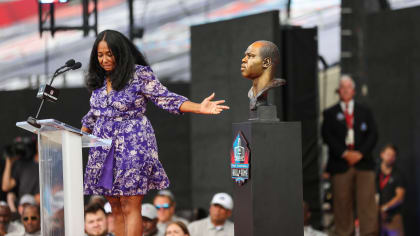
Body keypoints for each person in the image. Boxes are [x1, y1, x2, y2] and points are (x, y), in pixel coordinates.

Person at [81, 29, 229, 236]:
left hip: (132, 143)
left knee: (130, 203)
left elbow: (165, 97)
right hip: (103, 147)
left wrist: (198, 107)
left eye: (109, 54)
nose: (104, 59)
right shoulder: (98, 81)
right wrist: (79, 134)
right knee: (114, 206)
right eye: (100, 55)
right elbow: (94, 113)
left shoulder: (138, 74)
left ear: (120, 53)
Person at [321, 75, 378, 236]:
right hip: (340, 165)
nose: (345, 90)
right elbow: (327, 135)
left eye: (348, 87)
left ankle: (369, 233)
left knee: (367, 204)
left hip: (363, 163)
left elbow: (373, 134)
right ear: (339, 91)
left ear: (353, 91)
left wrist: (360, 153)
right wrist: (345, 153)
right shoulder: (330, 113)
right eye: (342, 88)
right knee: (342, 205)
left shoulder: (365, 111)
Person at [241, 40, 285, 111]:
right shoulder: (251, 93)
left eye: (250, 56)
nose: (243, 60)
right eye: (245, 56)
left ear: (266, 62)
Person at [377, 144, 405, 236]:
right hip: (375, 217)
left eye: (393, 156)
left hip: (393, 216)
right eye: (388, 154)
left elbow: (400, 197)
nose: (390, 158)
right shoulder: (374, 173)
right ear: (382, 154)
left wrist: (384, 208)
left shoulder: (398, 174)